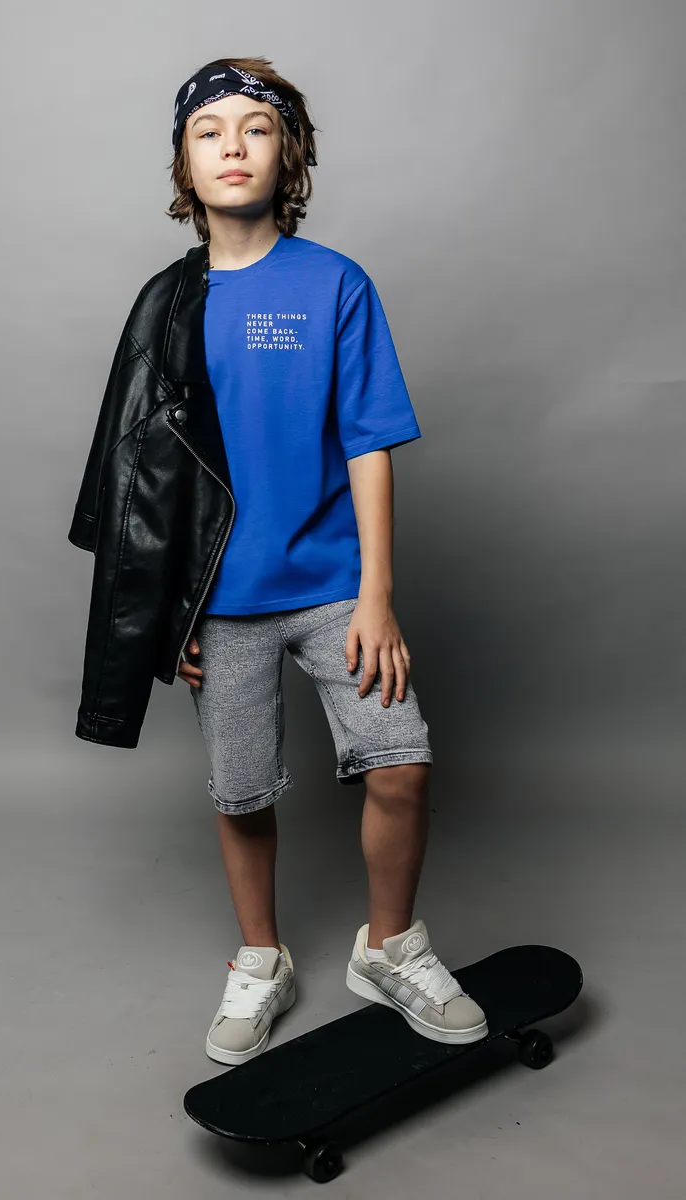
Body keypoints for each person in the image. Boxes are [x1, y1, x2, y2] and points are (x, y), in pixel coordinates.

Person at [165, 58, 489, 1066]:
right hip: (221, 601)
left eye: (255, 128)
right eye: (209, 130)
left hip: (336, 587)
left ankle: (389, 948)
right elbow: (149, 474)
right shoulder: (168, 306)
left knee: (402, 762)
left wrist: (376, 595)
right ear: (183, 161)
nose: (232, 146)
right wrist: (171, 608)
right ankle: (260, 959)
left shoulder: (335, 283)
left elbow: (368, 442)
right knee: (241, 791)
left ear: (288, 154)